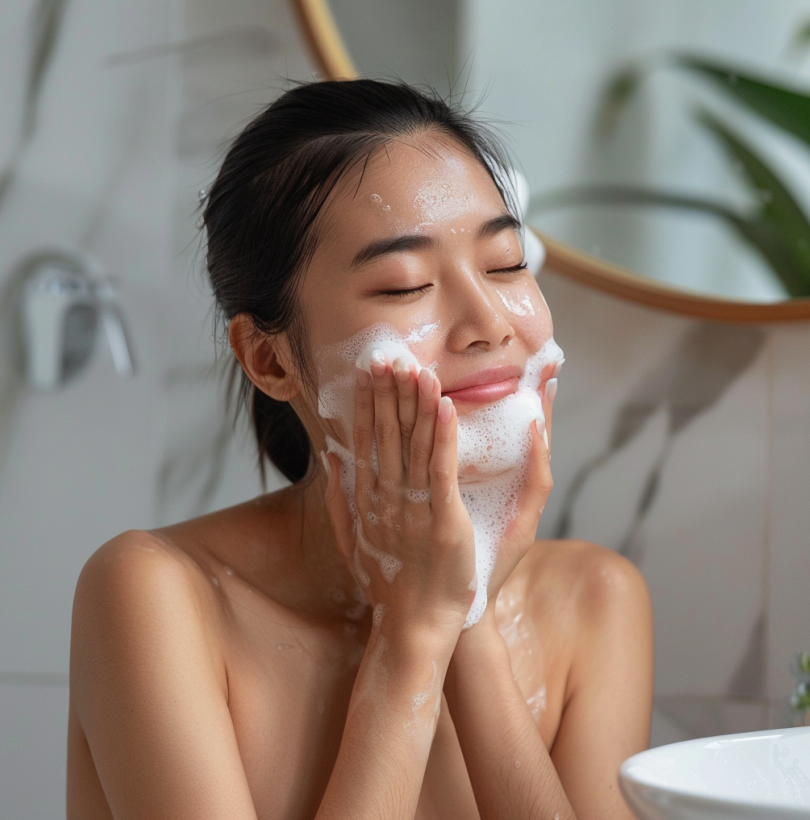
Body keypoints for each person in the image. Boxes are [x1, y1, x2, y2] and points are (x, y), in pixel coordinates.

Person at [67, 79, 653, 820]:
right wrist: (410, 643)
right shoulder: (158, 595)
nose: (490, 322)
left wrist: (464, 617)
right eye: (405, 286)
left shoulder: (596, 599)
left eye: (506, 264)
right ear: (270, 360)